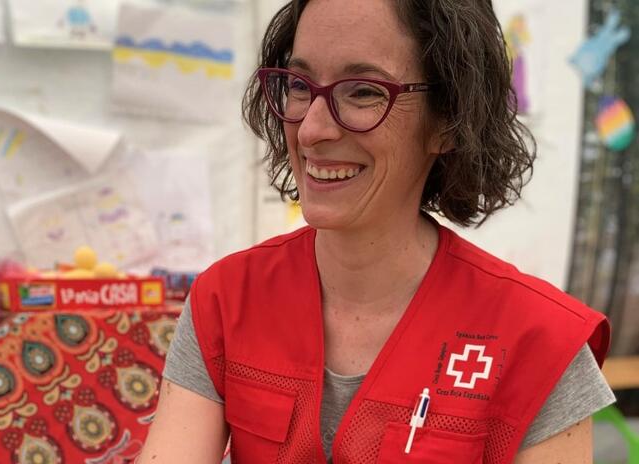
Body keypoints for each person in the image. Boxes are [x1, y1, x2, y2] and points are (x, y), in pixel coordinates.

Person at [139, 0, 615, 463]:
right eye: (300, 85)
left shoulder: (541, 344)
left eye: (363, 91)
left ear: (450, 119)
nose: (310, 130)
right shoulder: (226, 302)